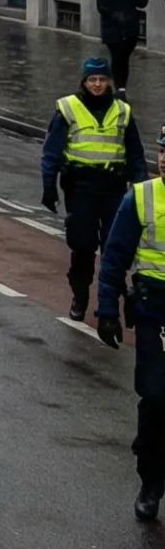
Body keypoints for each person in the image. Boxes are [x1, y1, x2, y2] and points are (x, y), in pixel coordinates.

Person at [44, 55, 151, 320]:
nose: (97, 84)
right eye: (92, 79)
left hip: (114, 188)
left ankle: (109, 303)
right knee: (83, 245)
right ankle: (80, 296)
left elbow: (136, 155)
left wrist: (141, 191)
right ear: (84, 81)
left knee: (114, 246)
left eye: (102, 79)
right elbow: (52, 152)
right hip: (81, 188)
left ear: (109, 81)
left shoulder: (122, 111)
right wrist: (49, 186)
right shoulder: (68, 108)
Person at [95, 131, 165, 518]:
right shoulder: (141, 196)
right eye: (163, 151)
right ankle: (151, 481)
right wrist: (107, 309)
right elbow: (115, 257)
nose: (164, 159)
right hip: (155, 313)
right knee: (155, 397)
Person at [104, 0, 152, 90]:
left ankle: (121, 87)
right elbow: (102, 4)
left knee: (124, 58)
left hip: (130, 26)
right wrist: (114, 15)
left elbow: (142, 2)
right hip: (112, 27)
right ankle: (119, 87)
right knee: (117, 56)